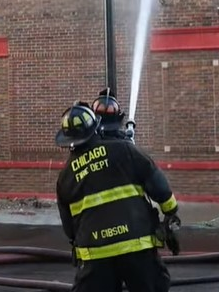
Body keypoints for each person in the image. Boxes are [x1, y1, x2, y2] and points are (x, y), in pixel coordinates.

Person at [55, 101, 180, 292]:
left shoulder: (65, 176)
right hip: (137, 247)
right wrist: (170, 214)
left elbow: (69, 228)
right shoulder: (124, 149)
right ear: (96, 128)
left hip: (96, 256)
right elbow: (159, 186)